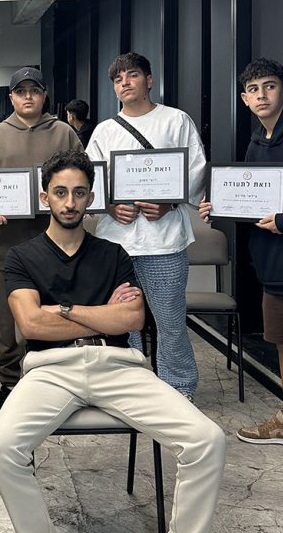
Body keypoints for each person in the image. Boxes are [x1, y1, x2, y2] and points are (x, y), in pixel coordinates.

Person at [0, 149, 241, 533]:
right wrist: (96, 313)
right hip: (49, 370)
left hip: (118, 364)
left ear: (91, 198)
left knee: (207, 439)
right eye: (60, 192)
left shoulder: (114, 254)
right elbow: (29, 324)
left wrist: (61, 311)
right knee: (0, 447)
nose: (70, 201)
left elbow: (132, 319)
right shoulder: (22, 256)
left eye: (80, 192)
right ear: (45, 196)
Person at [200, 58, 283, 497]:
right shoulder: (257, 141)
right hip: (274, 268)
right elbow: (254, 202)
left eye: (269, 86)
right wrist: (219, 207)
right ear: (244, 98)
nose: (261, 95)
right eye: (253, 89)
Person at [87, 52, 206, 400]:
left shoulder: (175, 120)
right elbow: (90, 178)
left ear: (149, 80)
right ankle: (133, 388)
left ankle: (179, 388)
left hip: (163, 241)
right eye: (118, 78)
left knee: (170, 322)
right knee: (124, 321)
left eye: (133, 75)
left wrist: (170, 202)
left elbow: (196, 168)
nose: (125, 82)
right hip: (116, 243)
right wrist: (109, 207)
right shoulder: (105, 131)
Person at [0, 67, 81, 417]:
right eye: (20, 91)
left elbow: (83, 180)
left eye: (34, 90)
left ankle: (56, 386)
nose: (27, 97)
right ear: (10, 97)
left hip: (60, 248)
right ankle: (8, 385)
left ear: (44, 94)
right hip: (8, 247)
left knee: (59, 315)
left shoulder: (64, 133)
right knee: (8, 324)